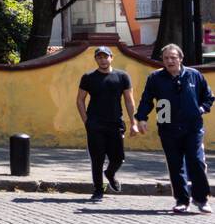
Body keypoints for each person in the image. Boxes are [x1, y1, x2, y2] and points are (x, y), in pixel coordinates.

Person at [135, 42, 215, 214]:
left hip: (192, 127)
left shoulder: (194, 75)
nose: (170, 61)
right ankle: (181, 200)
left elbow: (208, 97)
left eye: (173, 57)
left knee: (196, 161)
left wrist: (200, 109)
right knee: (175, 165)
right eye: (166, 58)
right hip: (168, 127)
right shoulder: (155, 78)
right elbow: (146, 100)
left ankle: (201, 199)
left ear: (180, 58)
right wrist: (141, 118)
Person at [76, 45, 136, 202]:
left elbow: (129, 101)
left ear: (111, 58)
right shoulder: (88, 77)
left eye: (105, 56)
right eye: (99, 57)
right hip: (95, 124)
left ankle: (110, 173)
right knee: (97, 159)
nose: (103, 60)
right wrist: (86, 120)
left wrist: (133, 122)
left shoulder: (122, 76)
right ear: (96, 59)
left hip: (115, 123)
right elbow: (80, 100)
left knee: (118, 158)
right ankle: (98, 190)